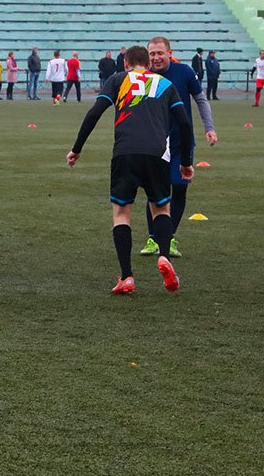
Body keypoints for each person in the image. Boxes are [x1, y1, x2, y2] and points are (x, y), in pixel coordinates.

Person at [67, 45, 194, 295]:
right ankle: (164, 256)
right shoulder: (164, 84)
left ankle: (126, 276)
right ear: (148, 64)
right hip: (158, 154)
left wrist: (77, 148)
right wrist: (186, 161)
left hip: (126, 153)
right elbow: (185, 123)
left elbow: (94, 113)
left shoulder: (117, 80)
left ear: (125, 63)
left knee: (122, 213)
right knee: (160, 208)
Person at [139, 36, 217, 259]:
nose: (155, 57)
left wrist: (209, 128)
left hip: (181, 142)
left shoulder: (184, 72)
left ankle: (169, 237)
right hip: (153, 143)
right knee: (155, 191)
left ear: (169, 52)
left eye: (159, 53)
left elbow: (201, 100)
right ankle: (154, 238)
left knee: (178, 187)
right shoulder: (145, 77)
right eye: (152, 54)